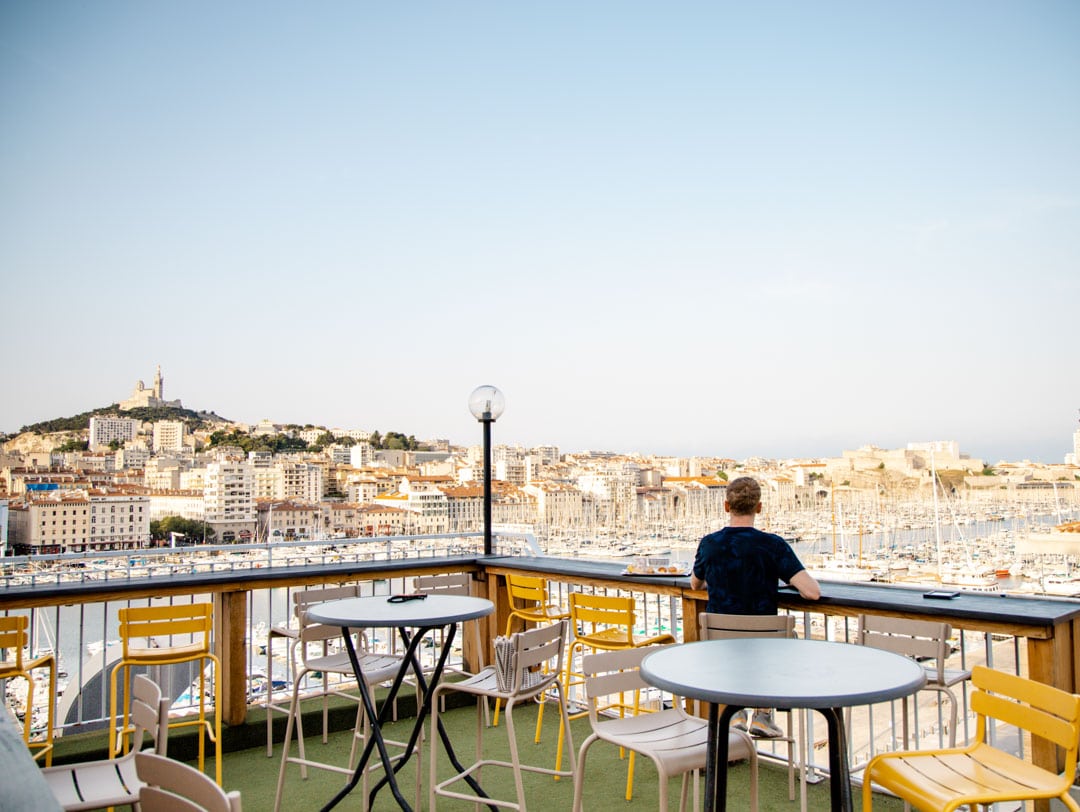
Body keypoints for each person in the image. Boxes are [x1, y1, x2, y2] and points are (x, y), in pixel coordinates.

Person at [690, 476, 821, 738]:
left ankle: (735, 710)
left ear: (726, 506)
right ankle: (763, 714)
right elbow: (812, 592)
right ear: (759, 507)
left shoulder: (709, 544)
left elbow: (695, 585)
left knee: (736, 650)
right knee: (783, 642)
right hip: (764, 642)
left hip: (721, 644)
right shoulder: (773, 545)